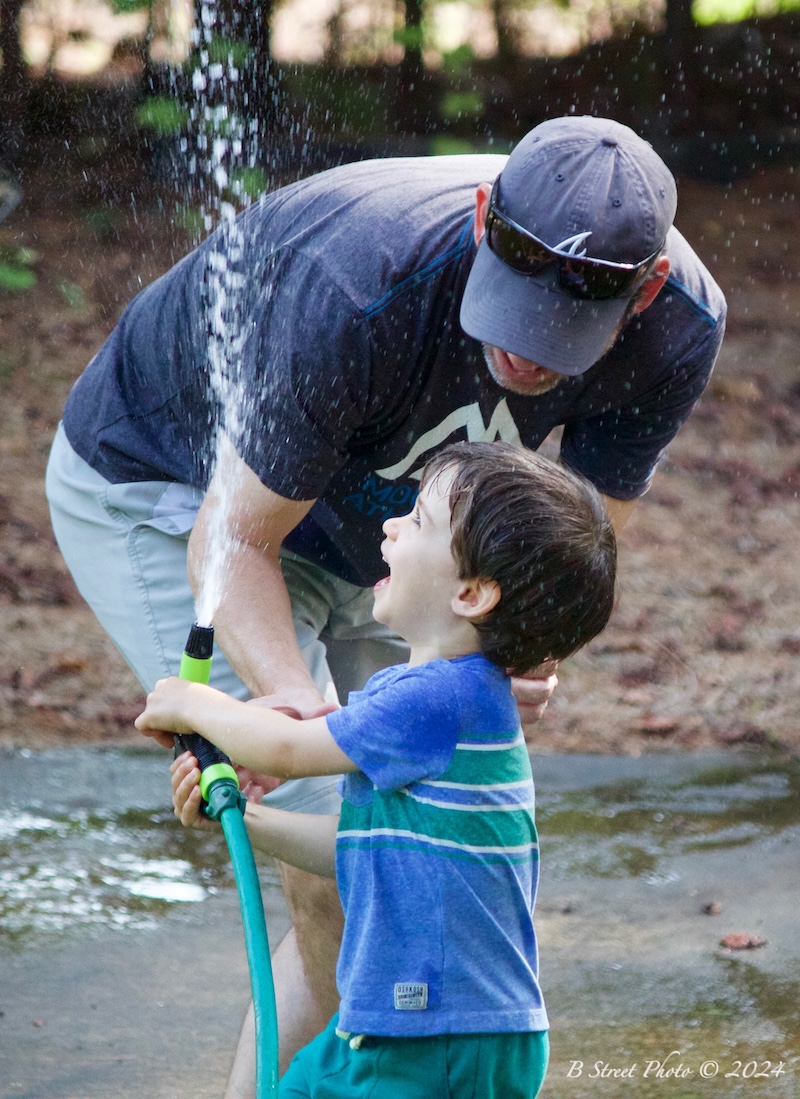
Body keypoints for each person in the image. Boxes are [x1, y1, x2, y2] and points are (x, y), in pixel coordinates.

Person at [45, 113, 726, 1090]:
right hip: (179, 498)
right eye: (512, 308)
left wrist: (521, 652)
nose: (527, 353)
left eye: (561, 330)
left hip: (413, 549)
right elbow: (233, 542)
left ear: (645, 287)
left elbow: (567, 547)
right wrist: (287, 703)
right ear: (485, 218)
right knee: (339, 882)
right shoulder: (360, 286)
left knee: (393, 842)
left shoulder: (677, 325)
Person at [135, 440, 618, 1099]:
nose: (389, 525)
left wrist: (195, 703)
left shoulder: (441, 698)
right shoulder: (430, 697)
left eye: (418, 520)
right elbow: (360, 844)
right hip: (393, 1025)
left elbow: (285, 749)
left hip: (444, 1036)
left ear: (471, 593)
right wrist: (244, 818)